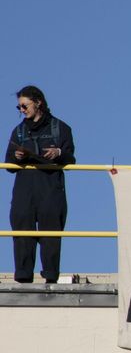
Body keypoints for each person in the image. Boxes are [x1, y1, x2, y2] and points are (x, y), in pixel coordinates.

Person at [6, 85, 75, 284]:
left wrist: (58, 153)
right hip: (24, 188)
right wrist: (16, 156)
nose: (22, 111)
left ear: (38, 103)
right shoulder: (18, 131)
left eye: (24, 106)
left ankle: (51, 276)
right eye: (18, 108)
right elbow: (9, 164)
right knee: (22, 228)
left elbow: (71, 159)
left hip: (50, 186)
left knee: (50, 232)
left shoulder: (60, 128)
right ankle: (23, 276)